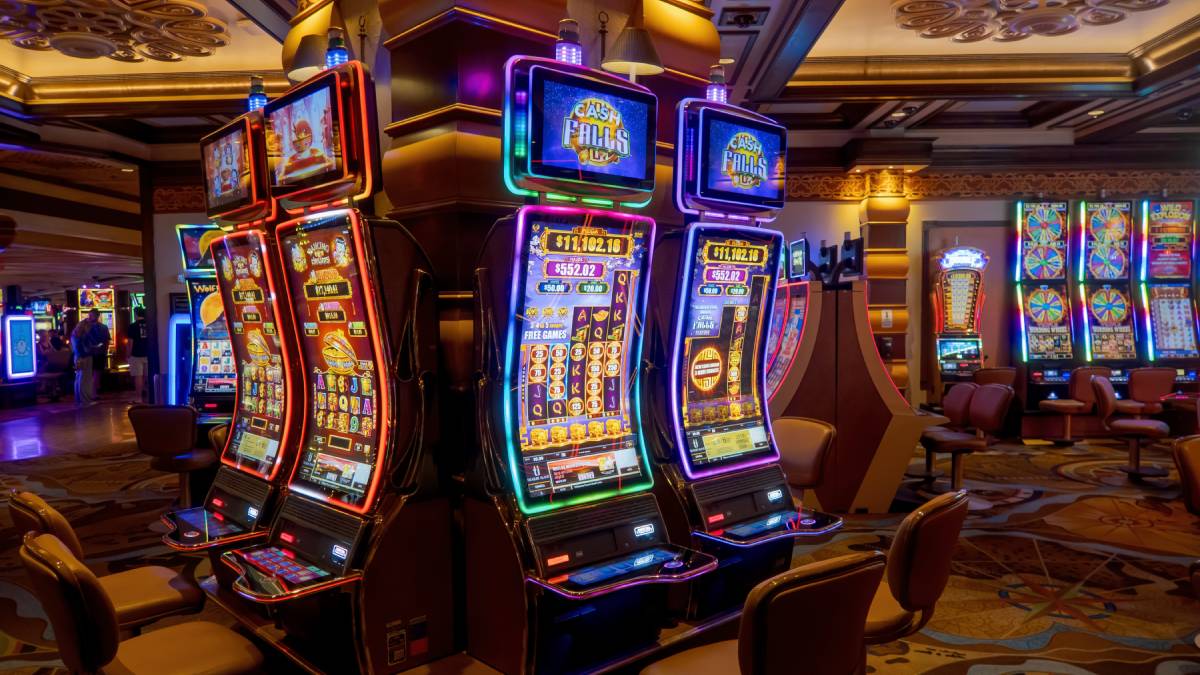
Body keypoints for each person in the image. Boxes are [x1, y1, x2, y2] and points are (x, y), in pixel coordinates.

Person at [71, 314, 97, 406]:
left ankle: (79, 400)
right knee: (85, 380)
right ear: (85, 326)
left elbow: (76, 348)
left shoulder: (75, 333)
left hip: (77, 357)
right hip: (85, 357)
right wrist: (94, 348)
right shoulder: (84, 335)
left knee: (79, 379)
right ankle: (86, 401)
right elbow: (86, 348)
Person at [88, 310, 111, 398]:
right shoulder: (104, 327)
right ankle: (94, 392)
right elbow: (107, 341)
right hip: (99, 353)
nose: (89, 317)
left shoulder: (87, 327)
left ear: (96, 316)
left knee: (93, 373)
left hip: (90, 353)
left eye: (90, 315)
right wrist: (105, 351)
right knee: (96, 373)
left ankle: (92, 392)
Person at [128, 308, 149, 403]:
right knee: (147, 375)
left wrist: (128, 353)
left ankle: (139, 398)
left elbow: (130, 342)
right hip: (148, 353)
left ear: (135, 314)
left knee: (138, 376)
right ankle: (150, 396)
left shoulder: (132, 326)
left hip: (136, 354)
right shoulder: (150, 324)